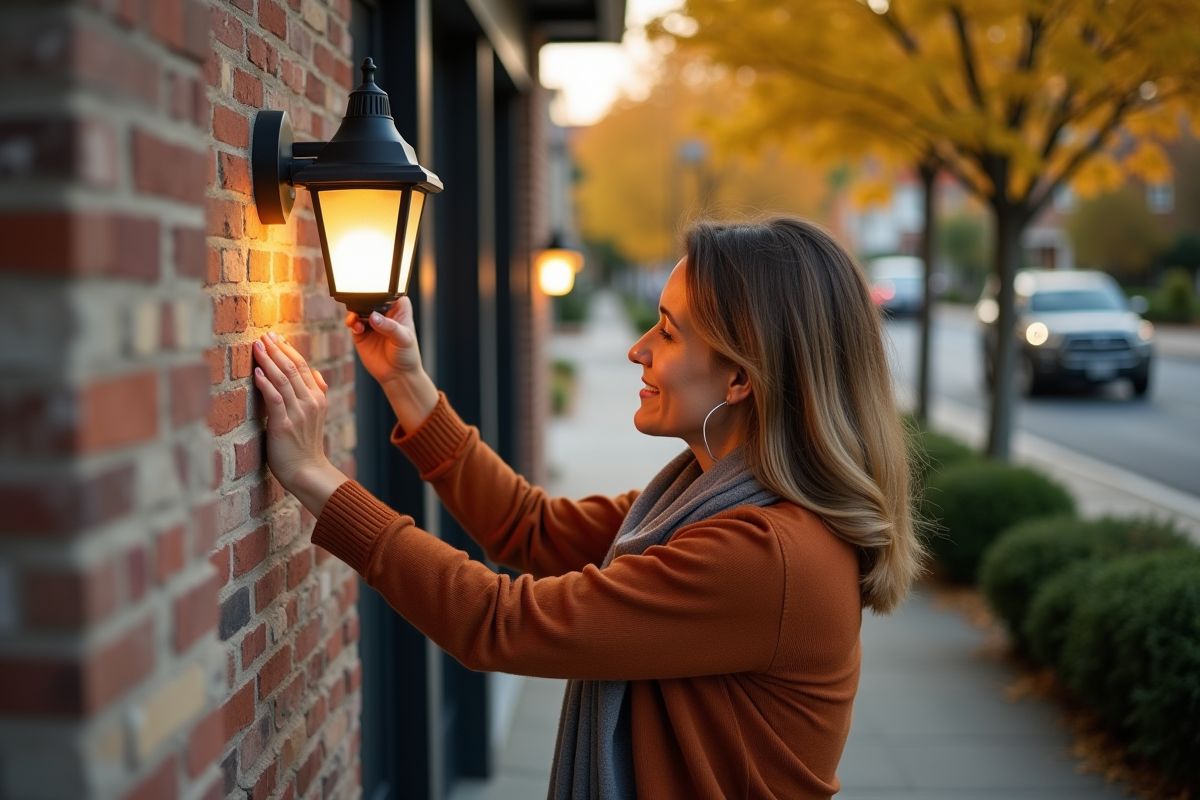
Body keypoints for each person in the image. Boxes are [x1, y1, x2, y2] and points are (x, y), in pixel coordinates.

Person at [251, 216, 925, 800]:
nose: (638, 349)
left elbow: (498, 623)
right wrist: (407, 382)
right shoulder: (696, 503)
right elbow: (530, 529)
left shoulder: (763, 555)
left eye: (668, 333)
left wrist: (315, 476)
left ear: (741, 376)